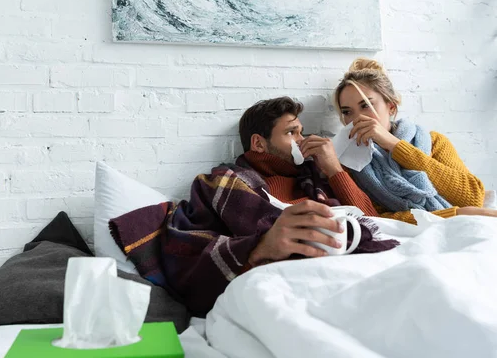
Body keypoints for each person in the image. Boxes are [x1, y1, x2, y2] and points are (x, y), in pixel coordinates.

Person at [110, 97, 397, 317]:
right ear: (259, 144)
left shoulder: (313, 180)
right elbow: (193, 255)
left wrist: (334, 169)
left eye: (302, 131)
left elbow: (374, 223)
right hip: (287, 281)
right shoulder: (226, 183)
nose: (303, 139)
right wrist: (261, 245)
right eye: (291, 133)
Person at [333, 58, 495, 223]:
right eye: (347, 112)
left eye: (366, 105)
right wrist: (455, 215)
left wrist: (394, 145)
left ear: (391, 107)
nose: (357, 118)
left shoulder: (434, 142)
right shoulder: (350, 163)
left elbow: (473, 198)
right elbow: (377, 219)